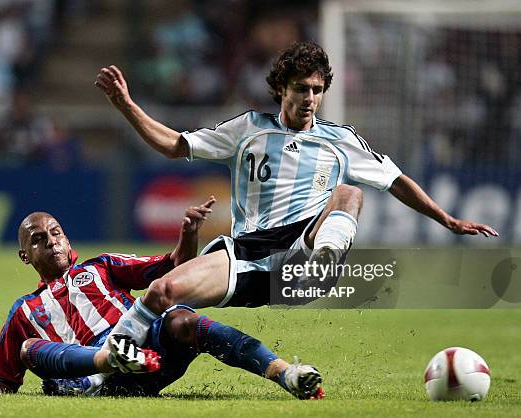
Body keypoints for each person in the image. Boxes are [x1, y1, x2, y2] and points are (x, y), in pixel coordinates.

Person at [93, 41, 499, 360]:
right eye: (301, 88)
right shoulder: (249, 129)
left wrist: (447, 220)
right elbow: (175, 145)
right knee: (161, 292)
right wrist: (127, 107)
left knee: (348, 192)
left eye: (317, 90)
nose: (310, 98)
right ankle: (106, 359)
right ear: (280, 89)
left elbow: (395, 181)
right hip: (246, 255)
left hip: (299, 254)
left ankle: (325, 265)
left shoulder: (341, 141)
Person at [0, 198, 324, 400]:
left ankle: (285, 373)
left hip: (142, 359)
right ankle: (105, 361)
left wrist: (187, 234)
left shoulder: (102, 267)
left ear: (68, 240)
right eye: (39, 240)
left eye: (56, 233)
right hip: (85, 382)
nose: (51, 242)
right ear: (26, 256)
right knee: (28, 348)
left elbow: (174, 272)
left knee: (181, 317)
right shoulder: (24, 311)